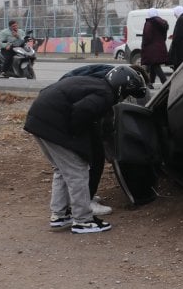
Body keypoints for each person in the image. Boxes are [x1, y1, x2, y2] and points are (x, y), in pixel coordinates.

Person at [23, 65, 147, 233]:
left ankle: (60, 216)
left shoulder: (96, 83)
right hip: (52, 123)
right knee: (77, 172)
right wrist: (77, 140)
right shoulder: (106, 94)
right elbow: (82, 112)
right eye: (127, 93)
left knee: (61, 170)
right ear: (122, 88)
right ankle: (83, 220)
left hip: (38, 118)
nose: (125, 98)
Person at [60, 63, 151, 214]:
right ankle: (85, 203)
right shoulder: (110, 82)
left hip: (68, 107)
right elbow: (103, 113)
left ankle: (82, 198)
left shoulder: (110, 74)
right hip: (72, 113)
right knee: (93, 157)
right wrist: (110, 146)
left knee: (88, 158)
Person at [140, 8, 170, 86]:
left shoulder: (149, 23)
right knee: (153, 64)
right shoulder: (162, 23)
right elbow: (164, 37)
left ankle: (165, 82)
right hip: (160, 46)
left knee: (155, 65)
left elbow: (147, 37)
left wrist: (144, 45)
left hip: (151, 49)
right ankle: (151, 82)